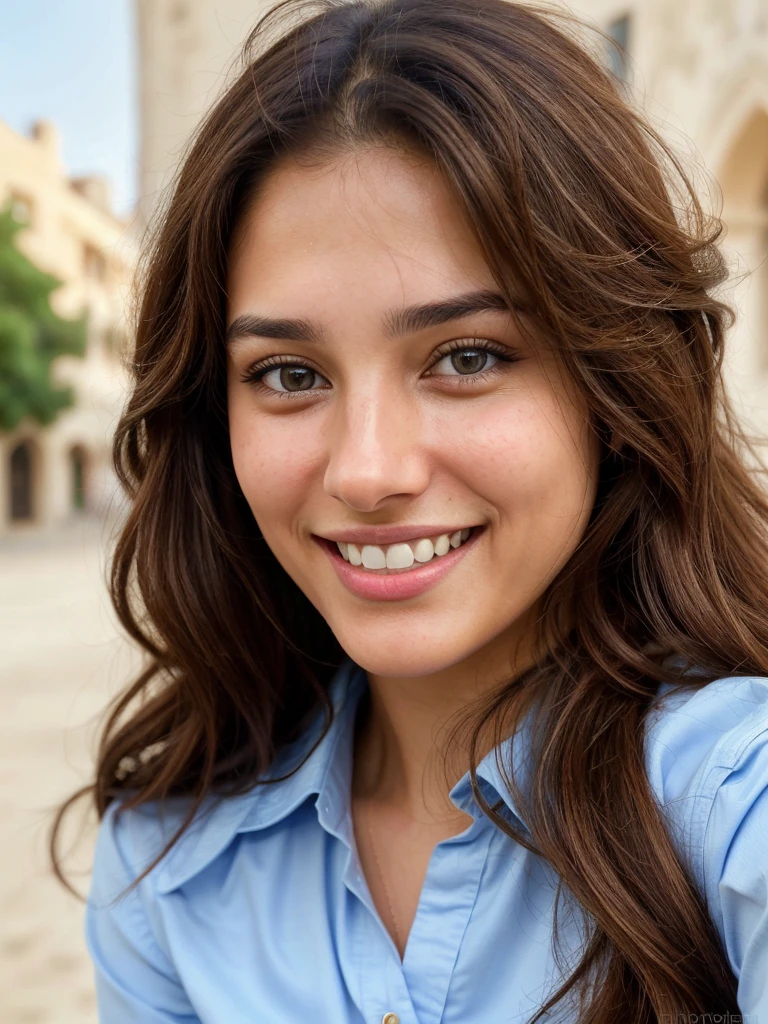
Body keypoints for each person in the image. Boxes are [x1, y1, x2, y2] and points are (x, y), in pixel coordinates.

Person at [53, 0, 768, 1021]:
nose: (367, 469)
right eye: (291, 373)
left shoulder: (736, 799)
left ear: (614, 384)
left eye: (467, 357)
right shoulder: (169, 862)